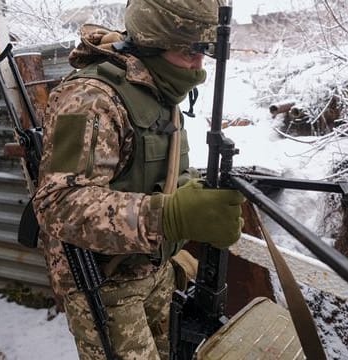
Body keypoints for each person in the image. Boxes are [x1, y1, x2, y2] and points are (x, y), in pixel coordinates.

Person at [32, 0, 244, 359]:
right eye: (189, 50)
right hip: (105, 285)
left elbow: (153, 170)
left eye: (204, 50)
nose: (199, 65)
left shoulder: (157, 89)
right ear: (153, 41)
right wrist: (170, 215)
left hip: (154, 270)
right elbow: (58, 204)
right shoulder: (91, 99)